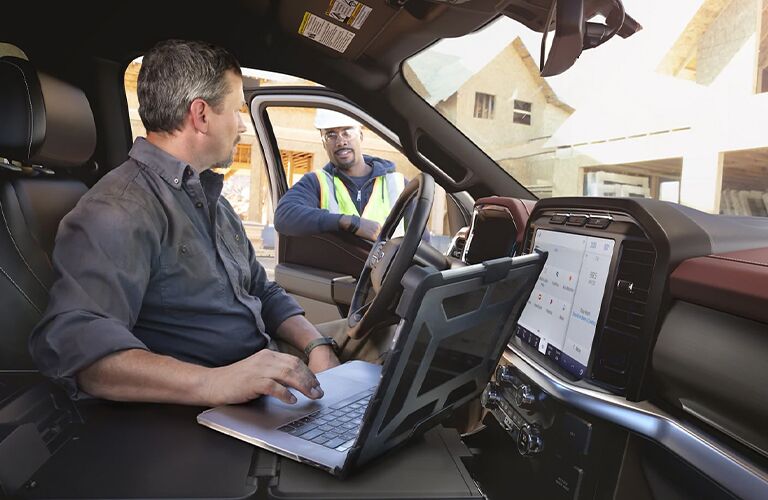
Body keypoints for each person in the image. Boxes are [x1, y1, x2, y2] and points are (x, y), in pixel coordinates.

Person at [29, 39, 339, 407]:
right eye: (237, 110)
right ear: (201, 115)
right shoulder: (118, 209)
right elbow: (78, 345)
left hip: (262, 374)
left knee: (378, 349)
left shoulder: (212, 201)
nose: (242, 125)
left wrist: (316, 345)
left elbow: (261, 290)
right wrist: (215, 383)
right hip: (204, 406)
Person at [274, 109, 406, 241]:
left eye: (347, 132)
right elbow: (284, 215)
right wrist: (347, 222)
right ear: (324, 143)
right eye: (331, 135)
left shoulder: (398, 184)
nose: (341, 142)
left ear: (360, 136)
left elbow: (417, 239)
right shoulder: (316, 182)